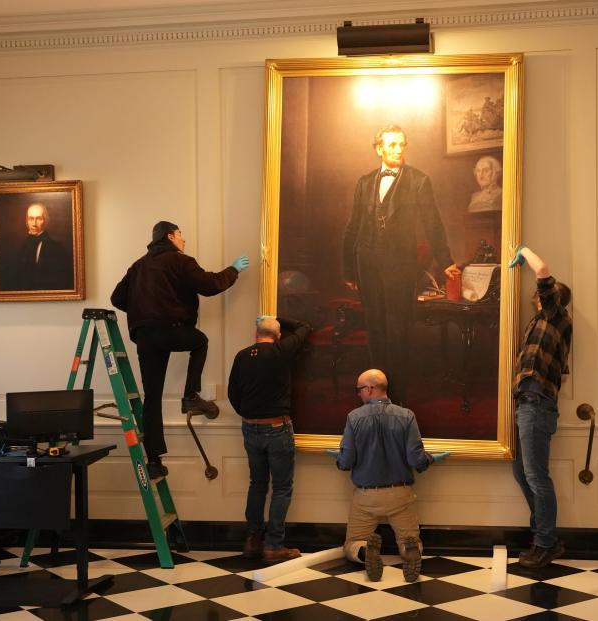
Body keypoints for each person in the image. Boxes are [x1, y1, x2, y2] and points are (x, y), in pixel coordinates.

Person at [111, 221, 249, 479]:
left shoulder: (138, 265)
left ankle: (153, 462)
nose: (184, 240)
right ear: (171, 236)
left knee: (151, 398)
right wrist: (234, 269)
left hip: (145, 337)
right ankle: (190, 395)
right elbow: (210, 285)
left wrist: (146, 310)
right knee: (200, 341)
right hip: (170, 330)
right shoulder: (179, 260)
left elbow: (117, 298)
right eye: (181, 235)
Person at [342, 125, 460, 401]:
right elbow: (352, 227)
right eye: (392, 145)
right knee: (375, 327)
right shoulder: (365, 181)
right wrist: (348, 267)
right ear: (379, 148)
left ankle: (398, 395)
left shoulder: (419, 181)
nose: (398, 150)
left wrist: (445, 260)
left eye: (402, 144)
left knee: (398, 328)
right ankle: (375, 392)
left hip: (400, 264)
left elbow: (433, 223)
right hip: (366, 261)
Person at [329, 369, 447, 582]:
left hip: (366, 496)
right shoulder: (406, 415)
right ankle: (410, 550)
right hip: (400, 494)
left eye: (359, 390)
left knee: (352, 543)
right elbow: (416, 459)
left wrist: (339, 458)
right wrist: (432, 459)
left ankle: (365, 552)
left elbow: (345, 462)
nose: (358, 394)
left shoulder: (354, 417)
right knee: (410, 539)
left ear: (370, 388)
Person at [507, 246, 573, 568]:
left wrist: (523, 252)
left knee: (536, 475)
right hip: (530, 403)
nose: (537, 294)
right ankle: (543, 534)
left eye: (543, 293)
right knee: (522, 472)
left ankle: (545, 543)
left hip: (536, 403)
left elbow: (543, 268)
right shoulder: (545, 325)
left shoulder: (554, 315)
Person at [228, 315, 311, 563]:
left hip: (250, 428)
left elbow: (233, 394)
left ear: (256, 335)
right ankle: (274, 545)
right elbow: (304, 326)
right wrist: (278, 318)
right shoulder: (281, 350)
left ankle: (253, 540)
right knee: (282, 488)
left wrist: (248, 414)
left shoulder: (242, 356)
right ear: (277, 336)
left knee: (257, 484)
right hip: (277, 428)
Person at [0, 203, 74, 291]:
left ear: (45, 221)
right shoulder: (20, 247)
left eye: (39, 219)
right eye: (31, 219)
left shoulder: (57, 248)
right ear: (26, 221)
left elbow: (61, 281)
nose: (34, 223)